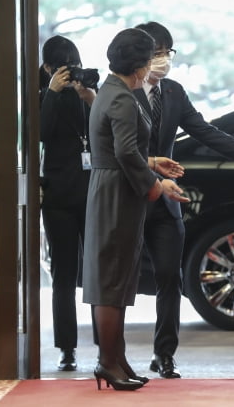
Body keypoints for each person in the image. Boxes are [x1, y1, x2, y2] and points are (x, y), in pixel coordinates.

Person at [132, 21, 234, 379]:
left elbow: (206, 131)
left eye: (167, 52)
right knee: (116, 279)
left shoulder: (174, 92)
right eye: (156, 53)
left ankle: (164, 354)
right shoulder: (119, 91)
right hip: (127, 198)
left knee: (170, 276)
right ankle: (110, 354)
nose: (163, 59)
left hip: (166, 202)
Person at [82, 27, 188, 391]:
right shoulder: (124, 98)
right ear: (140, 64)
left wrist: (154, 162)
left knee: (116, 277)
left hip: (109, 186)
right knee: (112, 281)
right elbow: (125, 152)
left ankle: (116, 359)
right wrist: (156, 186)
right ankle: (108, 362)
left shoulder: (109, 91)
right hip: (118, 192)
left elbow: (118, 149)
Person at [39, 35, 96, 371]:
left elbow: (103, 129)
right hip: (59, 196)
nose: (70, 72)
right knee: (64, 275)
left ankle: (106, 344)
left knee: (97, 272)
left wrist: (87, 93)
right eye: (63, 67)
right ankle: (67, 348)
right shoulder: (45, 95)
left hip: (91, 192)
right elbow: (41, 134)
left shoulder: (82, 91)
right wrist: (53, 92)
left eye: (73, 65)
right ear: (48, 68)